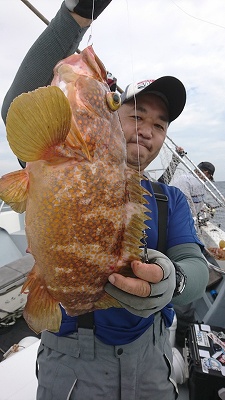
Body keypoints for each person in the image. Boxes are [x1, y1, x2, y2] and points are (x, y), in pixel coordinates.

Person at [1, 2, 209, 399]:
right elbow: (18, 105)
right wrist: (76, 16)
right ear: (111, 117)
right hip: (71, 361)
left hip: (150, 357)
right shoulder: (56, 159)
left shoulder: (171, 199)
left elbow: (195, 268)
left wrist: (170, 281)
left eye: (159, 125)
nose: (146, 130)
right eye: (135, 114)